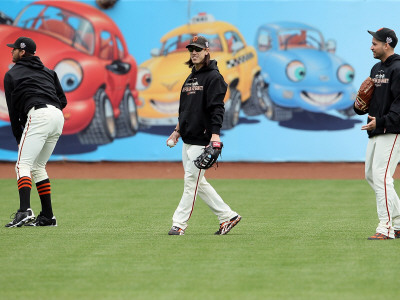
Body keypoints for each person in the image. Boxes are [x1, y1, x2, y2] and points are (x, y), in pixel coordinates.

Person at [166, 35, 241, 236]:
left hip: (204, 139)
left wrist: (215, 135)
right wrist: (177, 130)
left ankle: (178, 224)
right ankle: (228, 216)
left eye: (198, 49)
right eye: (192, 49)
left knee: (191, 181)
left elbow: (217, 109)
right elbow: (185, 109)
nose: (194, 52)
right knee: (198, 183)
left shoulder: (214, 78)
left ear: (207, 51)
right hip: (188, 139)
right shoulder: (191, 77)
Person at [4, 37, 67, 227]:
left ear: (22, 52)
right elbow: (62, 100)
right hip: (57, 116)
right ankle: (48, 216)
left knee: (22, 165)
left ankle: (24, 211)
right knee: (38, 166)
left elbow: (13, 110)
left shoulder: (12, 74)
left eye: (14, 49)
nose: (11, 51)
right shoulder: (49, 72)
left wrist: (18, 135)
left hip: (39, 115)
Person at [354, 28, 400, 240]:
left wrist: (381, 121)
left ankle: (386, 228)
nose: (371, 46)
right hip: (376, 129)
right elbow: (370, 101)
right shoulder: (376, 68)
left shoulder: (398, 68)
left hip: (391, 130)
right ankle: (398, 222)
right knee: (371, 176)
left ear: (387, 44)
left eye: (375, 43)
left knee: (382, 177)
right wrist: (360, 106)